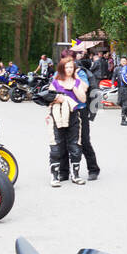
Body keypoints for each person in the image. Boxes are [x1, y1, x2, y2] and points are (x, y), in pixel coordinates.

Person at [47, 56, 88, 186]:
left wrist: (74, 86)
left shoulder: (77, 82)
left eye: (71, 67)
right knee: (56, 145)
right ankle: (55, 176)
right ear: (62, 68)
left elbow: (83, 99)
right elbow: (48, 98)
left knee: (75, 145)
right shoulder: (55, 82)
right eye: (67, 67)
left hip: (74, 116)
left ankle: (75, 175)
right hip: (57, 116)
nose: (69, 69)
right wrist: (56, 100)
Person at [60, 58, 101, 182]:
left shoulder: (81, 73)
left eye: (70, 67)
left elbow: (87, 90)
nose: (68, 69)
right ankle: (64, 172)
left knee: (83, 141)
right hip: (65, 110)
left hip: (80, 111)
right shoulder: (60, 74)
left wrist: (76, 78)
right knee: (63, 142)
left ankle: (93, 169)